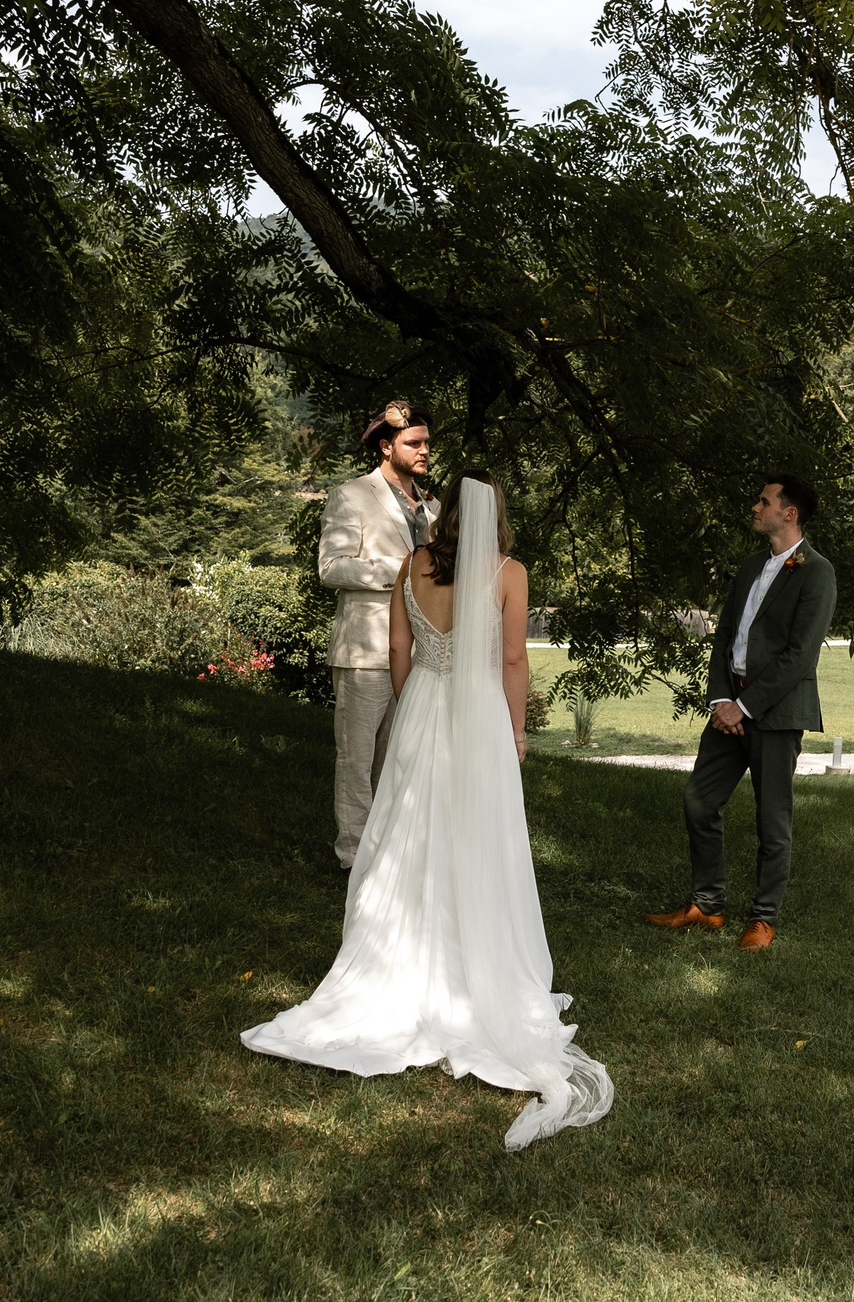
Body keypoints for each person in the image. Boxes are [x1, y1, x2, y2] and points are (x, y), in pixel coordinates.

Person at [244, 470, 612, 1150]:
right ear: (494, 515)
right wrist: (517, 729)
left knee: (409, 837)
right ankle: (475, 963)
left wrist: (416, 706)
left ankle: (404, 957)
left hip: (423, 709)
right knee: (475, 838)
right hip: (476, 717)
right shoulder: (508, 571)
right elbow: (510, 661)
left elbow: (397, 651)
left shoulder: (412, 565)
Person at [646, 473, 838, 952]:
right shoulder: (752, 564)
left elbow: (799, 656)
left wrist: (745, 707)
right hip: (727, 708)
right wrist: (720, 701)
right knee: (699, 800)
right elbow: (726, 634)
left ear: (788, 512)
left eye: (764, 501)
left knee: (773, 818)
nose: (755, 507)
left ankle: (763, 919)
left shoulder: (816, 571)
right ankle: (708, 905)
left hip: (774, 713)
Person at [315, 401, 439, 870]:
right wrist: (402, 571)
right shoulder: (351, 495)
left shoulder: (434, 507)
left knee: (399, 758)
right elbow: (331, 567)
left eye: (426, 442)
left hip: (418, 655)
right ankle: (353, 856)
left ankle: (388, 853)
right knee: (356, 759)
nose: (425, 450)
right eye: (415, 443)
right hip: (364, 651)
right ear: (387, 447)